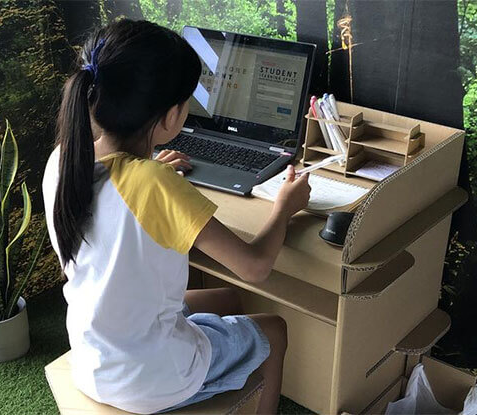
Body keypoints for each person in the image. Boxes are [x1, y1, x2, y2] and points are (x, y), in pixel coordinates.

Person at [41, 19, 310, 415]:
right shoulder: (153, 185)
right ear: (171, 117)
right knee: (274, 328)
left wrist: (149, 165)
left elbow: (122, 192)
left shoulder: (64, 159)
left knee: (227, 298)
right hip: (151, 380)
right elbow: (255, 267)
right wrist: (285, 207)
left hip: (93, 358)